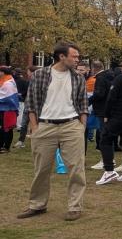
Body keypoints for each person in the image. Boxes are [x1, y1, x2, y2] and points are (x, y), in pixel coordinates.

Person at [17, 42, 89, 221]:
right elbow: (31, 103)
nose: (77, 60)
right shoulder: (40, 75)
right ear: (61, 56)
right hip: (45, 126)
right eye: (74, 56)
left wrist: (81, 127)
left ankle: (75, 206)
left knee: (76, 169)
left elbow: (83, 105)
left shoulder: (78, 78)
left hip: (71, 126)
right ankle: (37, 205)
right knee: (41, 169)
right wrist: (35, 128)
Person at [0, 66, 19, 152]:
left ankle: (6, 146)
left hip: (8, 109)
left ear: (3, 72)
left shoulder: (8, 83)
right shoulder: (5, 81)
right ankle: (2, 145)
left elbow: (7, 96)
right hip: (4, 108)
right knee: (3, 127)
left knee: (7, 127)